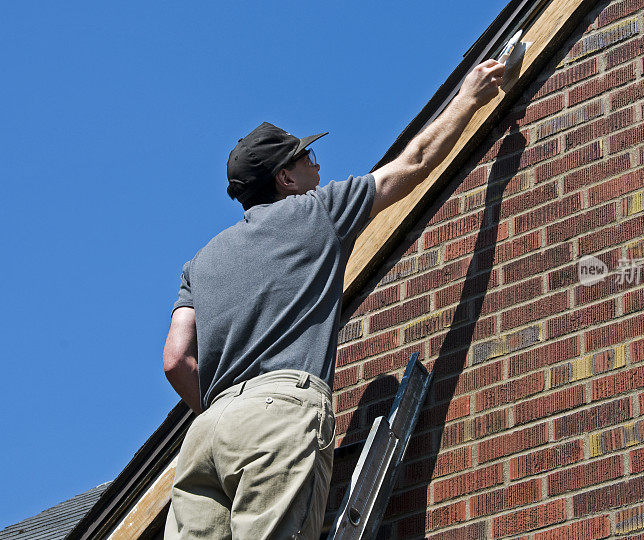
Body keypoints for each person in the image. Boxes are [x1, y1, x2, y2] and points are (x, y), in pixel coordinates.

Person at [162, 59, 505, 539]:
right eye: (306, 160)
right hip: (275, 416)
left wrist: (223, 410)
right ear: (285, 178)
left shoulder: (199, 262)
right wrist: (470, 95)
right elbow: (415, 163)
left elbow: (177, 359)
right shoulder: (314, 213)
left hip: (204, 435)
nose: (317, 167)